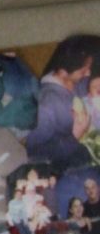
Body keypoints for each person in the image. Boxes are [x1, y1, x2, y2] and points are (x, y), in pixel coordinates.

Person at [26, 35, 95, 170]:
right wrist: (74, 135)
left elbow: (88, 85)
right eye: (83, 71)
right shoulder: (47, 104)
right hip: (71, 163)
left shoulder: (76, 80)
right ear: (63, 72)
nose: (88, 73)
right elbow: (35, 153)